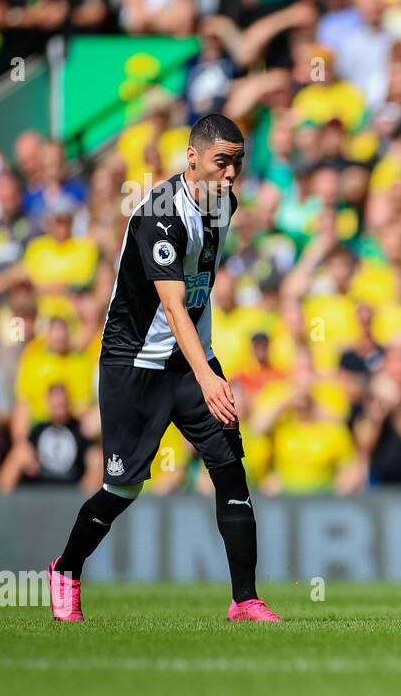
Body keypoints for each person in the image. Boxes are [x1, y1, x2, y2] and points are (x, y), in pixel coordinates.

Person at [48, 114, 280, 623]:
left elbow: (198, 285)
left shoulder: (224, 204)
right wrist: (208, 375)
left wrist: (204, 365)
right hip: (135, 363)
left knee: (230, 471)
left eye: (238, 163)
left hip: (191, 357)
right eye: (222, 162)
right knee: (122, 488)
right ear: (192, 157)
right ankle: (66, 568)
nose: (231, 174)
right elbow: (172, 307)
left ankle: (245, 600)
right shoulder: (158, 215)